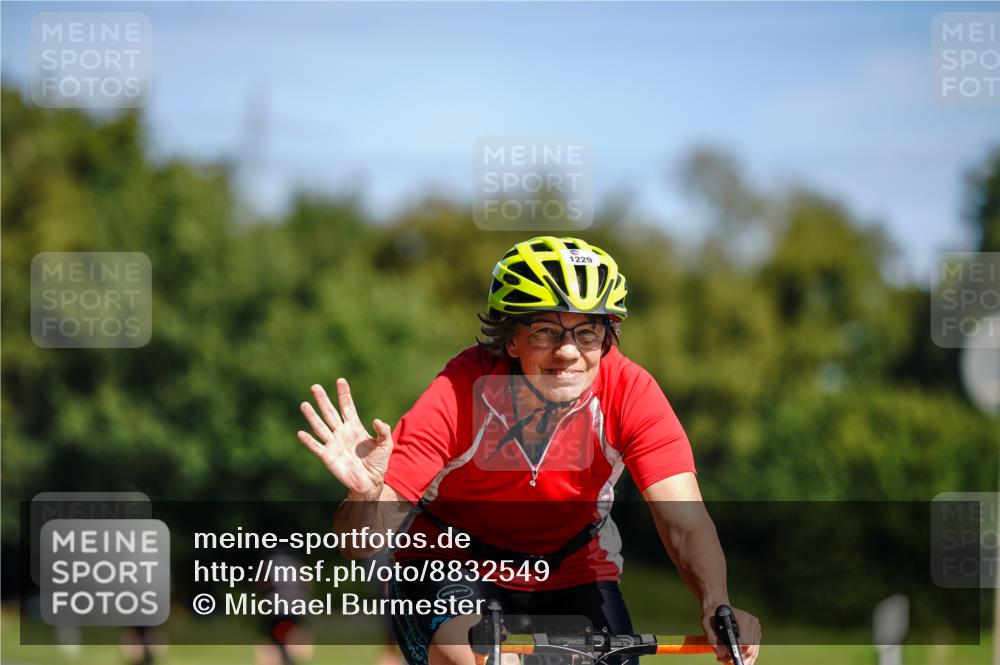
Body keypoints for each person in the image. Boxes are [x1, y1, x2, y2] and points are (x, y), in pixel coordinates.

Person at [299, 236, 761, 665]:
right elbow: (359, 544)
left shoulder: (630, 391)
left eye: (587, 332)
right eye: (545, 331)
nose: (568, 352)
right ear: (512, 338)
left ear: (607, 337)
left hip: (573, 569)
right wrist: (364, 495)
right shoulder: (463, 389)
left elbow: (684, 522)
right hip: (451, 565)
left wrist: (716, 604)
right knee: (481, 660)